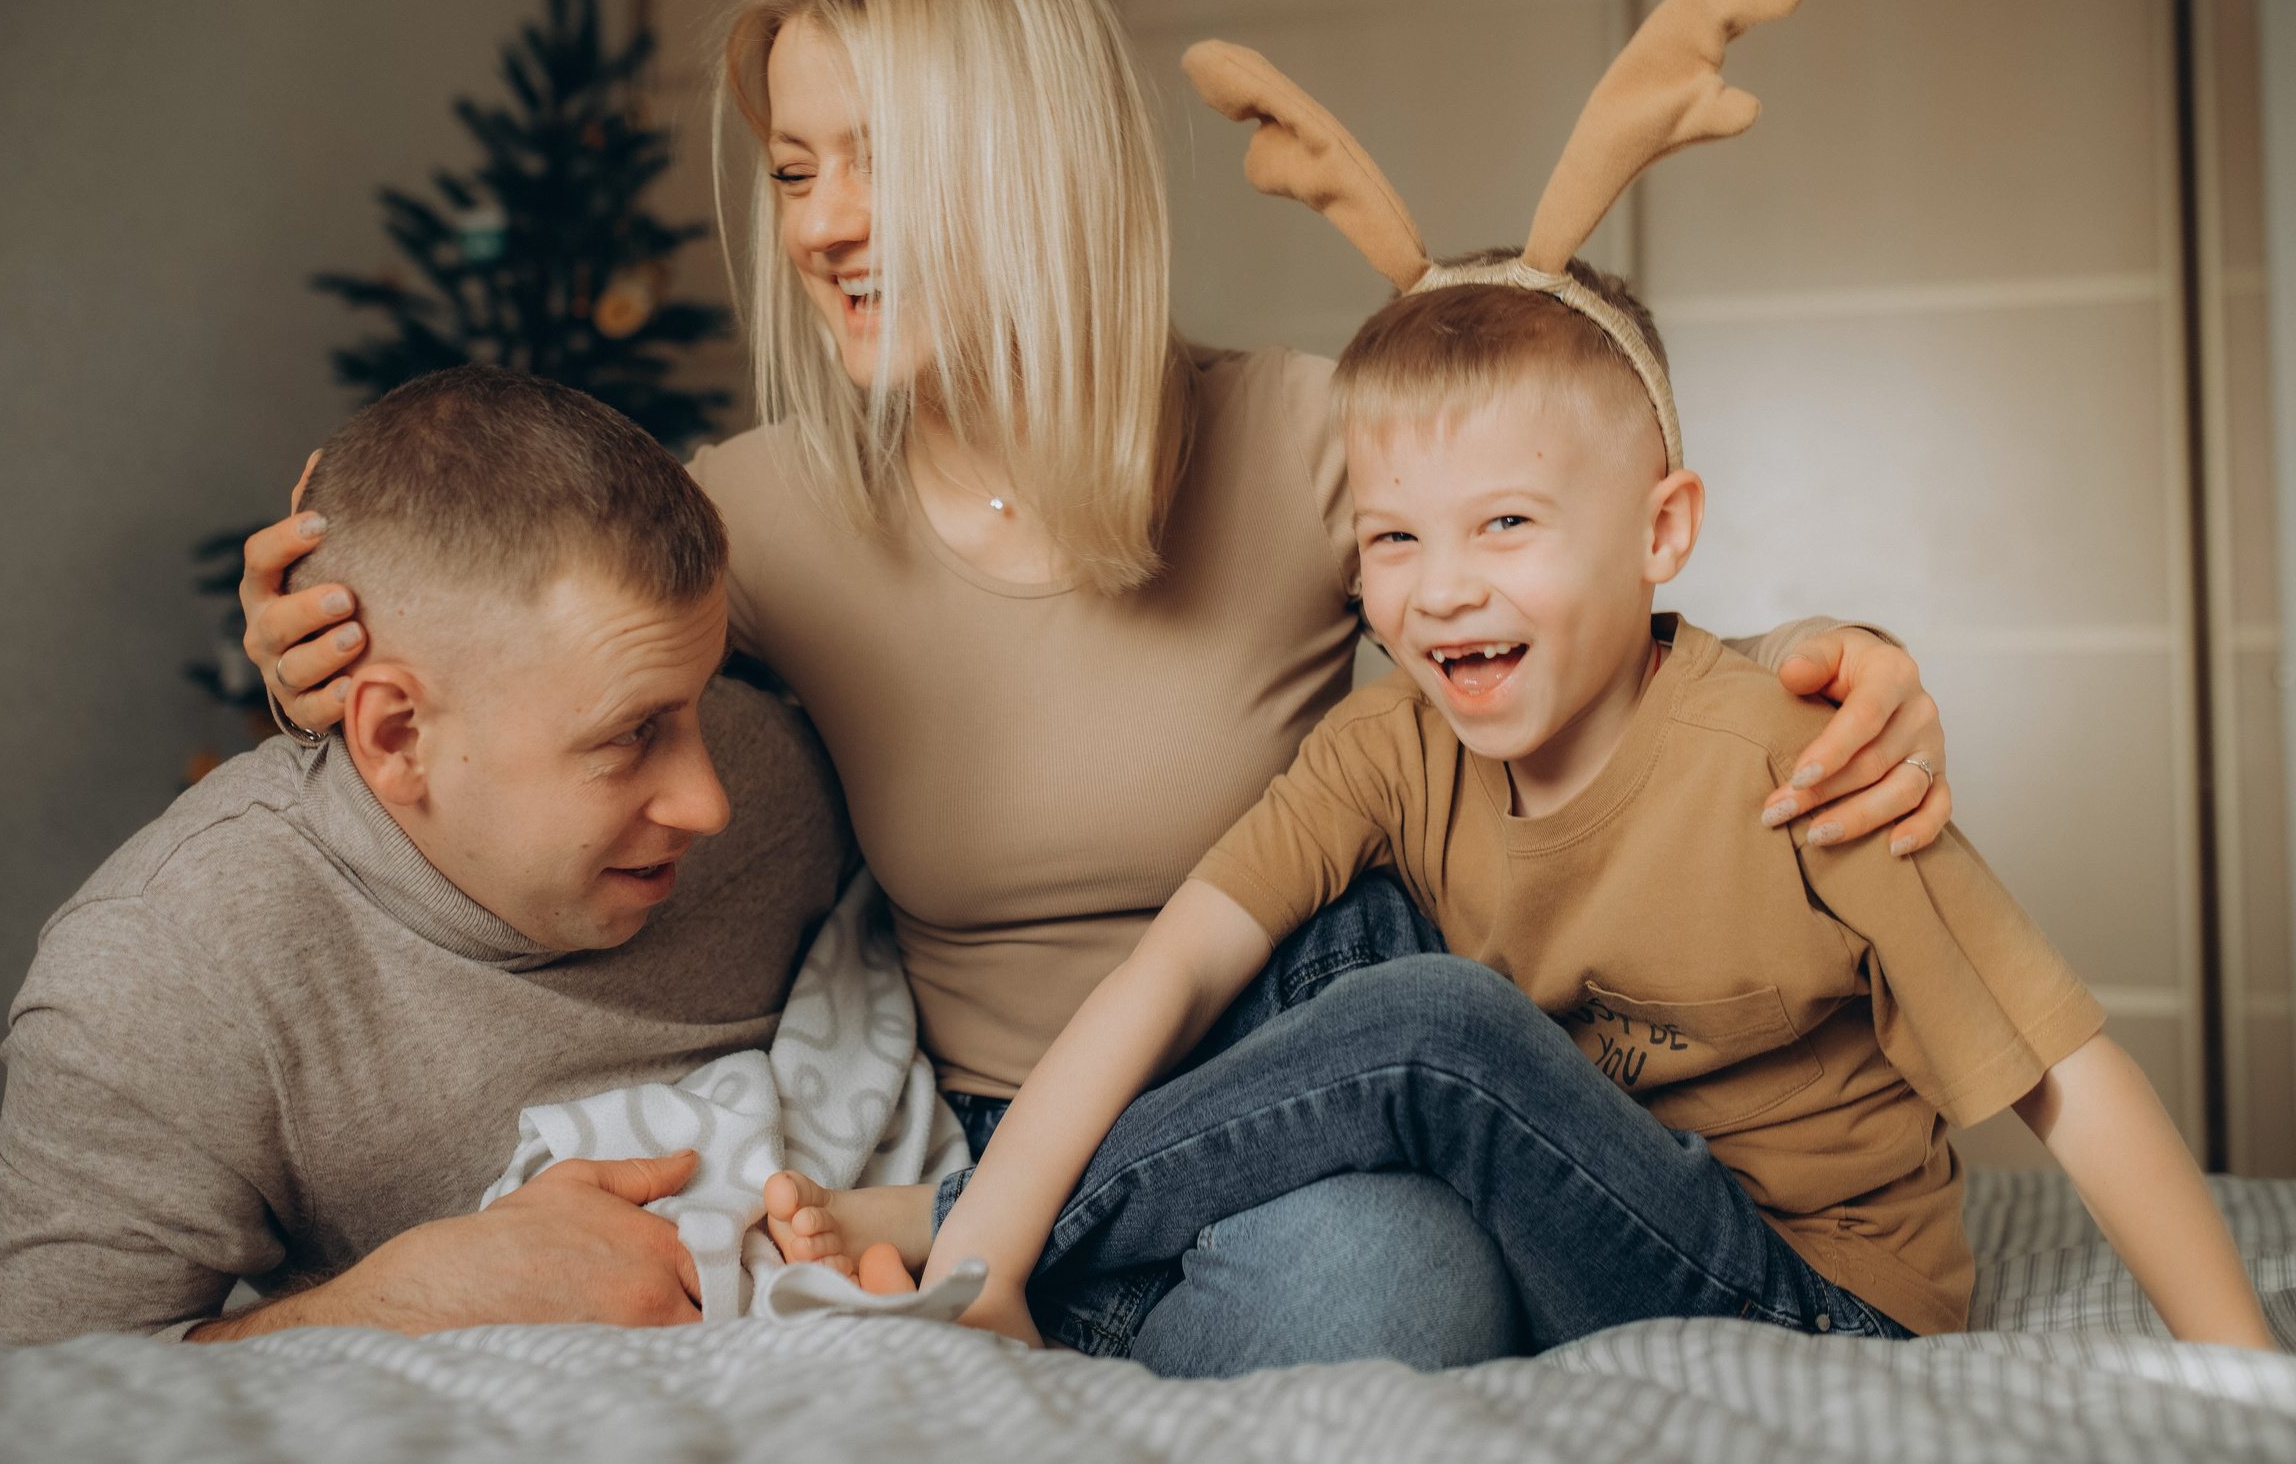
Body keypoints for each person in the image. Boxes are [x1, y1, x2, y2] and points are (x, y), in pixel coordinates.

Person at [240, 0, 1960, 1375]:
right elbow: (499, 660)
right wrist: (310, 641)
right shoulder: (753, 518)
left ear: (1039, 166)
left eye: (877, 163)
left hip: (1323, 1032)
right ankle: (1016, 1238)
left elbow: (1561, 574)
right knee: (1388, 1279)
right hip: (1034, 1116)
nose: (822, 225)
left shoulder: (1296, 431)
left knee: (1404, 1197)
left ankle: (972, 1251)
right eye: (791, 170)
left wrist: (1823, 652)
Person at [807, 258, 2274, 1355]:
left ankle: (965, 1226)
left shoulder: (1793, 755)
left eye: (1506, 521)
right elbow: (1173, 965)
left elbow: (2067, 1076)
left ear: (1661, 532)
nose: (1441, 584)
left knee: (1437, 1022)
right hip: (1582, 1222)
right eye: (1393, 537)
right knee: (1335, 939)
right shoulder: (1389, 744)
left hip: (1814, 1298)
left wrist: (2246, 1373)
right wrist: (997, 1249)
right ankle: (1007, 1237)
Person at [0, 367, 855, 1346]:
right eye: (630, 735)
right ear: (394, 735)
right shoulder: (168, 969)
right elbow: (31, 1396)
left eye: (700, 700)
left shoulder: (784, 779)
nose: (710, 801)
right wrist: (398, 1305)